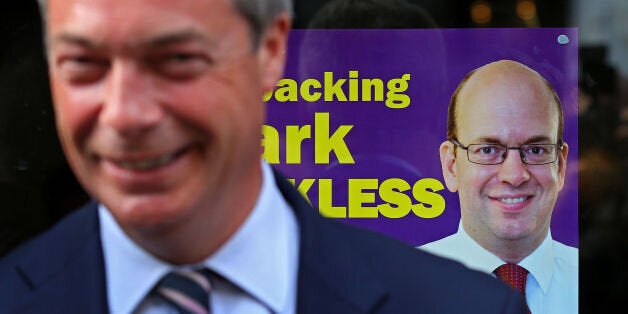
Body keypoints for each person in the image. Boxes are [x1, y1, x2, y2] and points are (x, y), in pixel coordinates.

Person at [0, 0, 528, 313]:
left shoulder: (462, 307)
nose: (124, 114)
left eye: (178, 60)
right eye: (83, 63)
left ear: (271, 52)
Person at [419, 60, 578, 314]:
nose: (514, 175)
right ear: (451, 166)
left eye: (536, 150)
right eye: (488, 150)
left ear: (559, 166)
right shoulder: (399, 291)